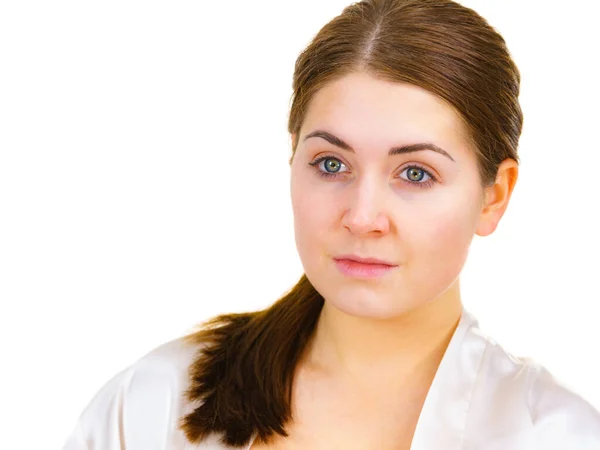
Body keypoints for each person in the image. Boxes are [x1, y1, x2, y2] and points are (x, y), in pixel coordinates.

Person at [62, 0, 600, 448]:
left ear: (494, 197)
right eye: (331, 164)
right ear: (293, 158)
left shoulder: (556, 435)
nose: (362, 218)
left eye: (415, 173)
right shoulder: (157, 404)